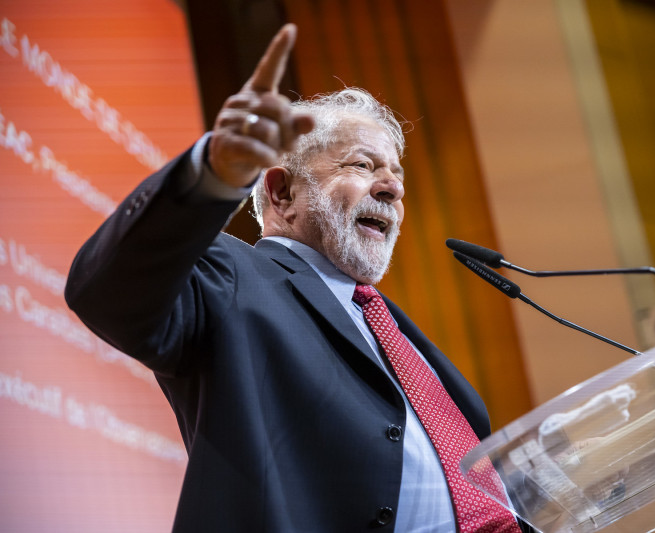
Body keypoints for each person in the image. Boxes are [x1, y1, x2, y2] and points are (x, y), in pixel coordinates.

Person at [66, 24, 525, 532]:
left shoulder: (394, 332)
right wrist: (212, 173)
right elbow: (108, 293)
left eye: (397, 174)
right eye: (363, 164)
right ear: (282, 193)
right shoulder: (233, 277)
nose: (392, 187)